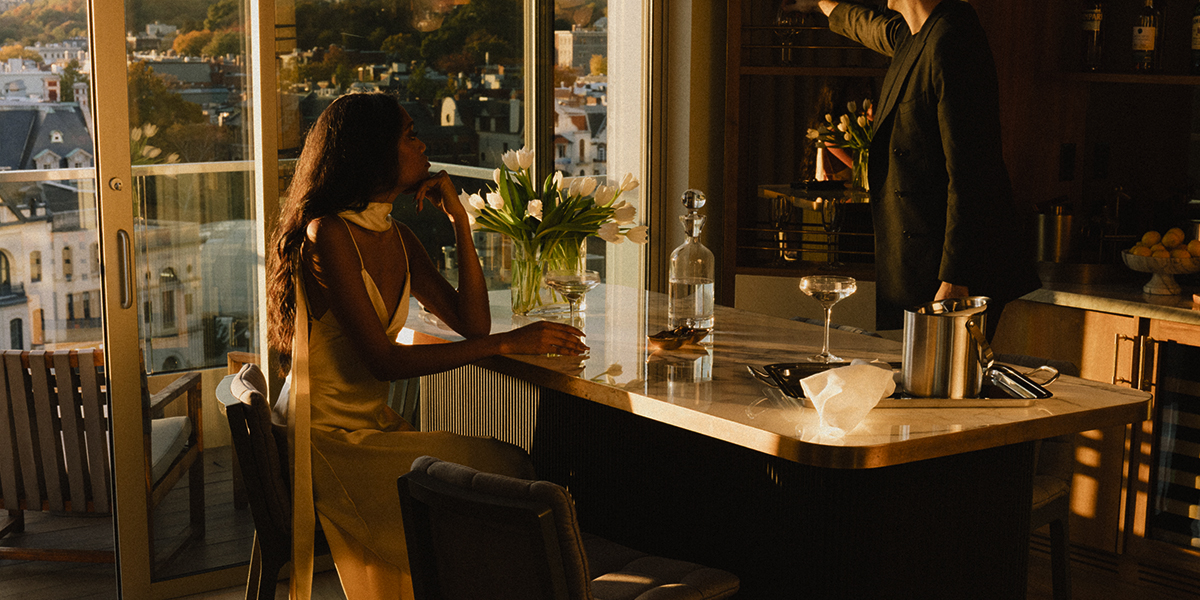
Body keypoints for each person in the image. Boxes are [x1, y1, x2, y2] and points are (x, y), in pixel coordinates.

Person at [266, 92, 588, 600]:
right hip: (325, 440)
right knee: (508, 473)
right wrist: (506, 346)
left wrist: (459, 219)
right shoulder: (327, 233)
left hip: (369, 429)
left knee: (509, 465)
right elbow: (386, 362)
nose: (423, 146)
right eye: (411, 135)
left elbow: (472, 324)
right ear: (374, 152)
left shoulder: (396, 236)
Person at [797, 0, 1041, 334]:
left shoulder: (954, 39)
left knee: (944, 385)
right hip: (915, 267)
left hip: (949, 278)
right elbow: (869, 25)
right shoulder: (914, 36)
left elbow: (971, 171)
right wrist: (821, 4)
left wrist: (956, 278)